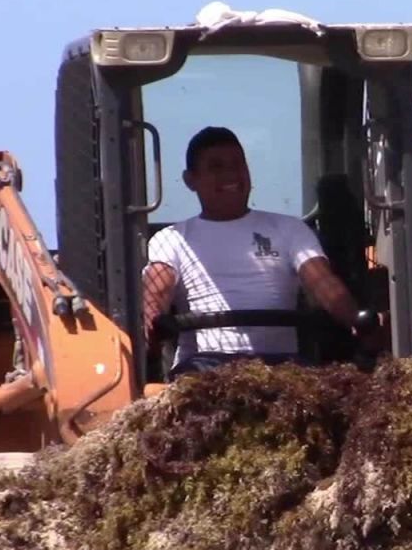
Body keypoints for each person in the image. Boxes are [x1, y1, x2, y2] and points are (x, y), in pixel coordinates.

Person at [141, 126, 376, 378]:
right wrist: (151, 324)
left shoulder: (289, 229)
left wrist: (355, 319)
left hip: (283, 369)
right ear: (190, 180)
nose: (231, 174)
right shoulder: (172, 239)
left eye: (237, 164)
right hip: (203, 369)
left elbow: (322, 281)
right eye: (216, 167)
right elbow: (157, 288)